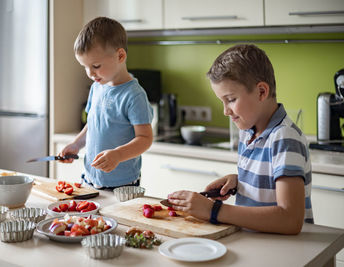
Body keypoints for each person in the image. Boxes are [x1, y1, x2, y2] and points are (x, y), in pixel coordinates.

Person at [167, 44, 313, 234]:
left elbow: (290, 220)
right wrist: (238, 181)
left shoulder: (284, 138)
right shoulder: (248, 131)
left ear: (262, 92)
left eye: (231, 99)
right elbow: (268, 182)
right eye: (222, 101)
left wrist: (213, 210)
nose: (225, 111)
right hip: (255, 241)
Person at [60, 17, 153, 189]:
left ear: (120, 56)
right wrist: (76, 144)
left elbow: (145, 139)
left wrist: (118, 155)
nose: (89, 73)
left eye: (95, 65)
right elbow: (93, 124)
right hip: (89, 177)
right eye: (85, 67)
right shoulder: (97, 87)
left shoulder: (134, 95)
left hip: (122, 184)